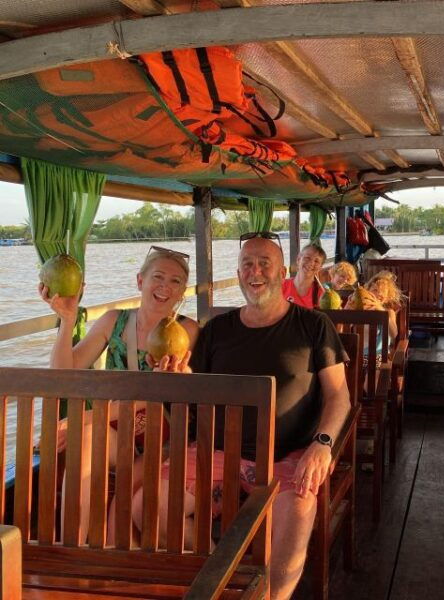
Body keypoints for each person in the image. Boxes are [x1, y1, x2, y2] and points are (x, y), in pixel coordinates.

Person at [136, 233, 351, 600]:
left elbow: (339, 397)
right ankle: (222, 571)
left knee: (298, 515)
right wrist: (173, 380)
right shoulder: (217, 330)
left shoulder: (314, 326)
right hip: (216, 451)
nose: (256, 272)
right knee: (146, 508)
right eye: (247, 264)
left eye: (264, 263)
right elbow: (194, 393)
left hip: (285, 455)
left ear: (282, 271)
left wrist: (323, 443)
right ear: (237, 274)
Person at [39, 246, 199, 544]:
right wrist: (67, 319)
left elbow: (158, 393)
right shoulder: (114, 321)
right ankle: (71, 549)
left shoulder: (187, 331)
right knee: (84, 442)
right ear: (140, 281)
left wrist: (88, 417)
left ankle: (114, 561)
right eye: (158, 277)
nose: (165, 286)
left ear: (182, 292)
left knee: (119, 512)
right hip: (117, 434)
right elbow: (64, 376)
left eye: (176, 281)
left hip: (163, 440)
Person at [282, 242, 326, 308]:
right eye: (307, 258)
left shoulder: (321, 294)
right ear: (298, 259)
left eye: (316, 261)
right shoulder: (281, 286)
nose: (311, 263)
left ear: (320, 267)